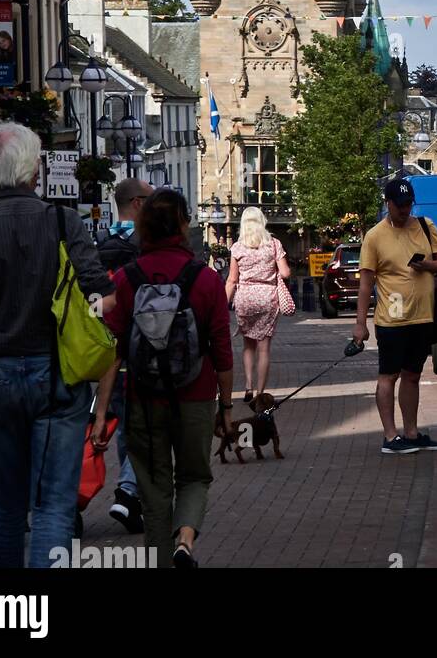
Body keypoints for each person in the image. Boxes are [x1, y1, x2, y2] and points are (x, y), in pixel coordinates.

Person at [0, 123, 111, 569]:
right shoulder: (63, 221)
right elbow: (100, 295)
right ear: (34, 169)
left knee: (6, 505)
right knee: (54, 506)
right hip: (56, 374)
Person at [94, 187, 233, 568]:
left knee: (154, 490)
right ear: (184, 225)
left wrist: (103, 411)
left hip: (144, 399)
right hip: (196, 395)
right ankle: (184, 541)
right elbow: (222, 349)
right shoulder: (204, 279)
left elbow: (112, 349)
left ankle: (159, 560)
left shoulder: (125, 279)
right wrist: (226, 406)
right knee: (193, 477)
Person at [355, 175, 437, 455]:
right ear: (388, 204)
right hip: (391, 320)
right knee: (389, 375)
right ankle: (390, 435)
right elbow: (365, 285)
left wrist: (428, 267)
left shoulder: (425, 226)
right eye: (399, 206)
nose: (405, 210)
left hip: (422, 317)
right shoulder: (374, 237)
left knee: (413, 375)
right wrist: (360, 323)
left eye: (408, 204)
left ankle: (411, 432)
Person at [97, 178, 150, 534]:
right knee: (142, 429)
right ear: (137, 202)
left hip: (104, 352)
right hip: (139, 349)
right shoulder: (143, 246)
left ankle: (129, 500)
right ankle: (129, 493)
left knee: (120, 425)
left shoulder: (98, 243)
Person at [225, 205, 290, 402]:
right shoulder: (274, 245)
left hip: (245, 299)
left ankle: (247, 386)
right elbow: (285, 273)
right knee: (264, 349)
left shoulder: (237, 248)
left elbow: (232, 280)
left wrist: (221, 305)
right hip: (267, 298)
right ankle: (260, 393)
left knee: (247, 346)